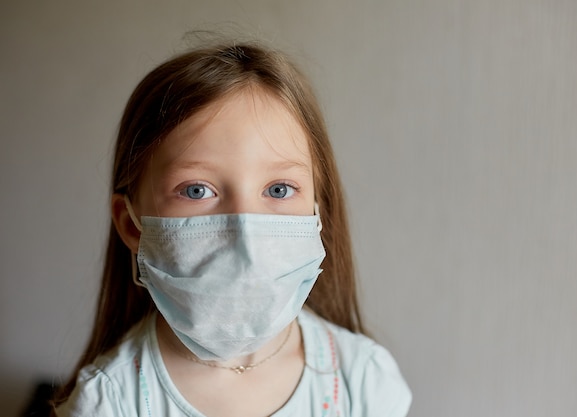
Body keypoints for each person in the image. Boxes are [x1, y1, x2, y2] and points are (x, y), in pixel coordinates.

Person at [53, 39, 412, 416]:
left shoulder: (366, 383)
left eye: (279, 189)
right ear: (132, 226)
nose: (245, 231)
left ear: (317, 216)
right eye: (196, 190)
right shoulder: (108, 402)